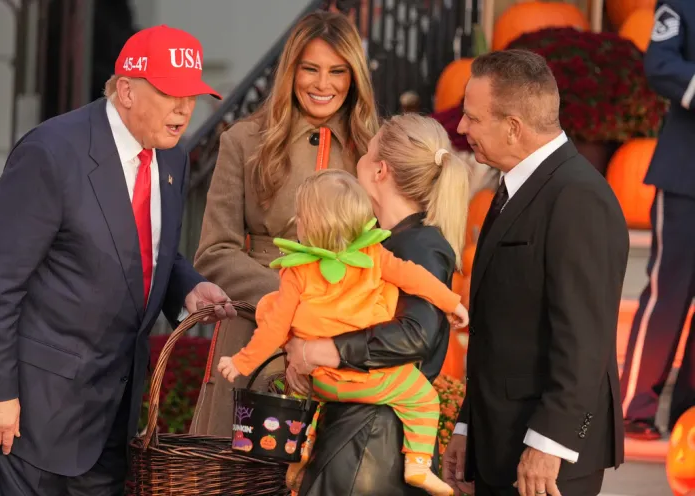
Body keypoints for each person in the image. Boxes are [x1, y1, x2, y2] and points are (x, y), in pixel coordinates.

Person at [0, 25, 237, 496]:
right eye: (171, 93)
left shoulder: (172, 158)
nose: (185, 109)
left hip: (115, 417)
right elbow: (3, 283)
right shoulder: (51, 152)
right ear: (126, 90)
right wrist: (2, 394)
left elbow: (148, 250)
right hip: (34, 420)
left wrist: (186, 287)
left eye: (191, 95)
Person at [441, 49, 629, 496]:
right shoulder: (513, 184)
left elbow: (585, 339)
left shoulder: (578, 198)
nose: (462, 128)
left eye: (471, 118)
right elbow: (499, 331)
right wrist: (469, 423)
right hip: (499, 439)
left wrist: (551, 444)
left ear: (513, 127)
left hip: (546, 458)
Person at [219, 169, 469, 496]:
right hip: (372, 382)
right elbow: (417, 280)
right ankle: (418, 465)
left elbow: (275, 327)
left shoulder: (296, 272)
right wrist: (453, 303)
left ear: (305, 225)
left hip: (322, 380)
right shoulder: (375, 256)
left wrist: (242, 362)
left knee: (274, 314)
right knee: (423, 398)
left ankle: (301, 454)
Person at [189, 11, 379, 437]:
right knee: (243, 473)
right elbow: (214, 252)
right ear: (290, 71)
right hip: (256, 326)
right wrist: (292, 305)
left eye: (337, 71)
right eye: (309, 69)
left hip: (344, 339)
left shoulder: (374, 148)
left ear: (354, 77)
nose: (322, 84)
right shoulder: (242, 140)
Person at [281, 113, 471, 496]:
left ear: (380, 170)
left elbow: (416, 334)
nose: (359, 161)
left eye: (366, 154)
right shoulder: (382, 243)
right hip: (362, 434)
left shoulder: (418, 245)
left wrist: (325, 350)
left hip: (374, 444)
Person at [620, 0, 695, 441]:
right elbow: (661, 63)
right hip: (687, 172)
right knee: (668, 294)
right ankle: (636, 406)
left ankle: (688, 416)